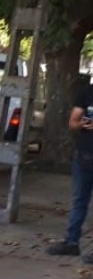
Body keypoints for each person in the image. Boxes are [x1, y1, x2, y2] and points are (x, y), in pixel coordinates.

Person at [46, 78, 93, 261]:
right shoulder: (86, 93)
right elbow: (73, 122)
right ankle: (71, 242)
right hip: (84, 156)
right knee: (79, 200)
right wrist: (82, 123)